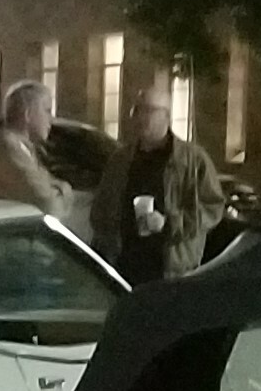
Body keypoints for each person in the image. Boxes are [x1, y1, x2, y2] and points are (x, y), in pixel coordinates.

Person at [95, 88, 230, 286]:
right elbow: (101, 207)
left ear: (166, 116)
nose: (141, 117)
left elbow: (212, 208)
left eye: (149, 111)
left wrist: (169, 223)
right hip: (125, 265)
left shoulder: (192, 160)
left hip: (172, 269)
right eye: (137, 110)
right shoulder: (121, 159)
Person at [0, 81, 73, 220]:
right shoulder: (11, 151)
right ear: (27, 115)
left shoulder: (24, 148)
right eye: (46, 111)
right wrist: (65, 191)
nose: (51, 119)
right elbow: (49, 205)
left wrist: (58, 190)